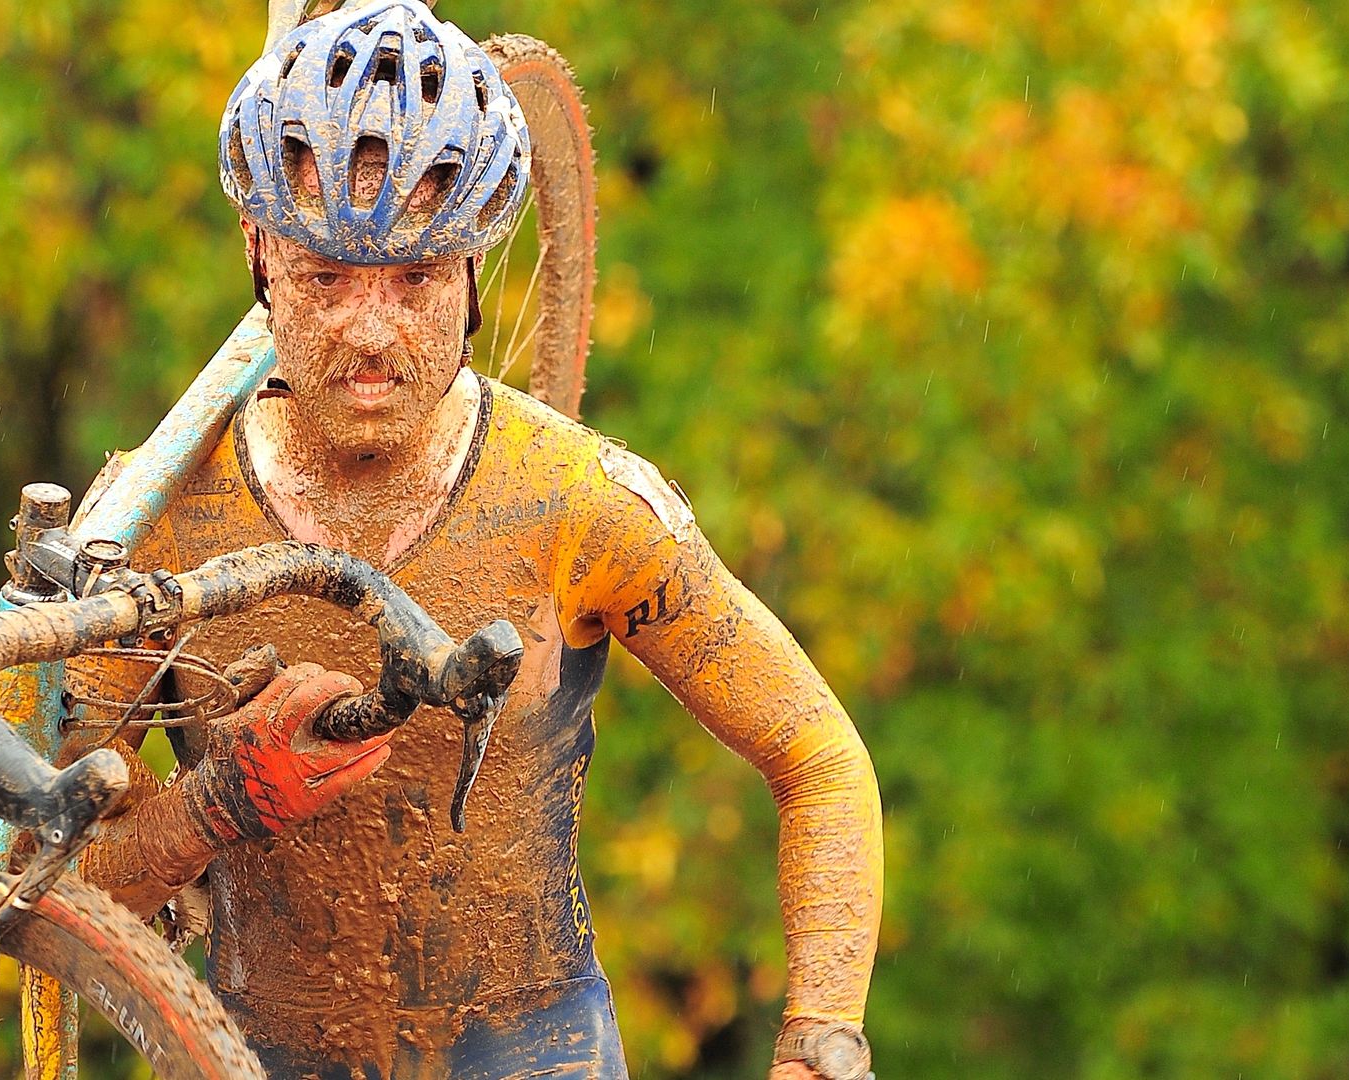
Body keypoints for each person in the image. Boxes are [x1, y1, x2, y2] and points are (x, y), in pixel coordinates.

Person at [64, 4, 882, 1078]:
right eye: (325, 278)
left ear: (472, 277)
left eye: (416, 280)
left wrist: (821, 1040)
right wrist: (214, 806)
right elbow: (50, 896)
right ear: (257, 253)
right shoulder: (150, 518)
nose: (371, 331)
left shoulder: (578, 500)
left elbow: (816, 756)